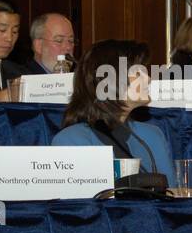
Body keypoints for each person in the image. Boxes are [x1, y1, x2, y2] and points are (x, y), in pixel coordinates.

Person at [51, 39, 172, 175]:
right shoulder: (72, 141)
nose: (148, 78)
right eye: (138, 72)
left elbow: (170, 193)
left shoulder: (153, 136)